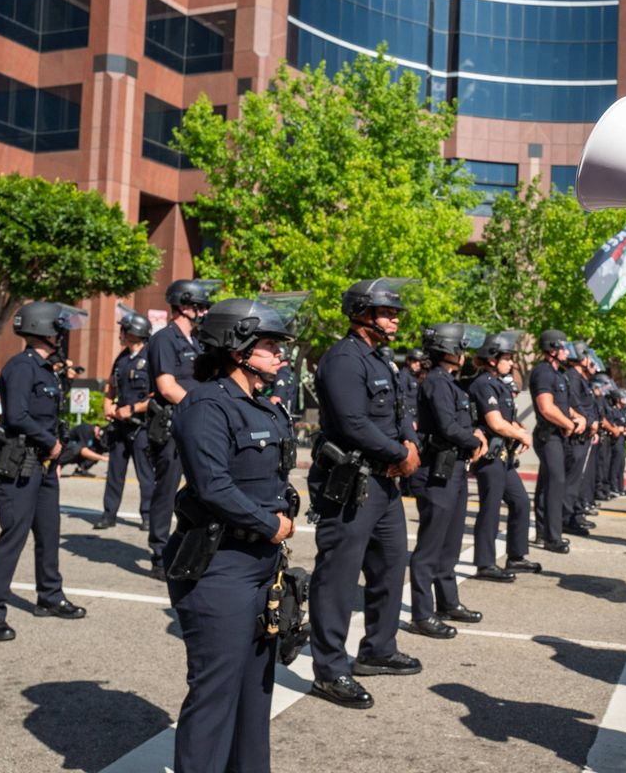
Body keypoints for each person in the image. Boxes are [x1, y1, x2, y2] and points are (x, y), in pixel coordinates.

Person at [165, 298, 297, 773]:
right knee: (215, 693)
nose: (279, 354)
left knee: (255, 690)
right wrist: (271, 523)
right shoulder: (206, 405)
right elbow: (213, 485)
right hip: (218, 566)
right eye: (269, 345)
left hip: (262, 565)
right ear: (237, 349)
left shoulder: (262, 406)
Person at [308, 278, 422, 710]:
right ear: (361, 313)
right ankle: (329, 670)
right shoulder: (343, 359)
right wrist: (400, 454)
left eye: (394, 314)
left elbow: (400, 412)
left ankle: (378, 650)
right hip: (352, 483)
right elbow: (353, 423)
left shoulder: (381, 360)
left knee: (391, 564)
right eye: (387, 313)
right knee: (338, 578)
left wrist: (409, 444)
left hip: (385, 483)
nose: (394, 320)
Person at [0, 303, 89, 642]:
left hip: (44, 464)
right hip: (19, 465)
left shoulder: (46, 369)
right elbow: (17, 415)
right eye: (58, 329)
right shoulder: (21, 367)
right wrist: (51, 443)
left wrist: (55, 449)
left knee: (49, 533)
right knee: (14, 537)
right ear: (44, 330)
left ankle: (50, 597)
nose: (61, 335)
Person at [408, 323, 487, 638]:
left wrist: (474, 436)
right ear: (449, 349)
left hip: (454, 469)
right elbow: (447, 426)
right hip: (438, 472)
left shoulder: (449, 382)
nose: (465, 354)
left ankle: (447, 602)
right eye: (461, 348)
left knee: (451, 544)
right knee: (430, 548)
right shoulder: (437, 382)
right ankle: (422, 614)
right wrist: (475, 440)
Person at [147, 279, 216, 580]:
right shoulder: (165, 339)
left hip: (196, 423)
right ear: (184, 306)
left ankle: (190, 549)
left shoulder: (197, 340)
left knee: (201, 489)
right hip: (173, 424)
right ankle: (160, 553)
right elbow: (166, 387)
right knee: (166, 490)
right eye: (200, 306)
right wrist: (201, 404)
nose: (204, 311)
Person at [468, 332, 541, 582]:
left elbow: (507, 419)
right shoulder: (483, 384)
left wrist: (518, 428)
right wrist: (523, 436)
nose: (511, 363)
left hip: (503, 456)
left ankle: (516, 556)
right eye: (507, 358)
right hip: (490, 456)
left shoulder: (498, 383)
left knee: (520, 502)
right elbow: (495, 423)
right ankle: (485, 563)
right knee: (490, 508)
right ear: (492, 359)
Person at [97, 309, 155, 529]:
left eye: (123, 330)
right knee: (115, 472)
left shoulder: (150, 358)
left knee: (145, 474)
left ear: (134, 333)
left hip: (141, 426)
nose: (120, 334)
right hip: (119, 426)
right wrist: (107, 404)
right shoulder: (122, 358)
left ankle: (148, 516)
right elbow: (111, 385)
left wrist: (132, 409)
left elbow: (157, 395)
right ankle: (109, 514)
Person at [530, 329, 582, 553]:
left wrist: (578, 417)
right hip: (548, 435)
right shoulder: (543, 372)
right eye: (562, 348)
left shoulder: (558, 374)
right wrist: (568, 424)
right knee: (556, 483)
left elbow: (562, 405)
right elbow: (546, 407)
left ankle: (543, 532)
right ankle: (552, 537)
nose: (566, 352)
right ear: (552, 349)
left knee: (547, 484)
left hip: (557, 435)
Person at [562, 342, 597, 536]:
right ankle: (567, 518)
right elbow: (575, 403)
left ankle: (574, 514)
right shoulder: (572, 377)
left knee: (578, 479)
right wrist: (590, 421)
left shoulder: (579, 378)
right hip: (577, 435)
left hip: (584, 434)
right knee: (572, 481)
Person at [399, 348, 425, 429]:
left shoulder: (415, 376)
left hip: (417, 416)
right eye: (415, 361)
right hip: (408, 418)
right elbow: (401, 399)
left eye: (420, 362)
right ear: (408, 361)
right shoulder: (403, 376)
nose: (418, 364)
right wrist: (410, 420)